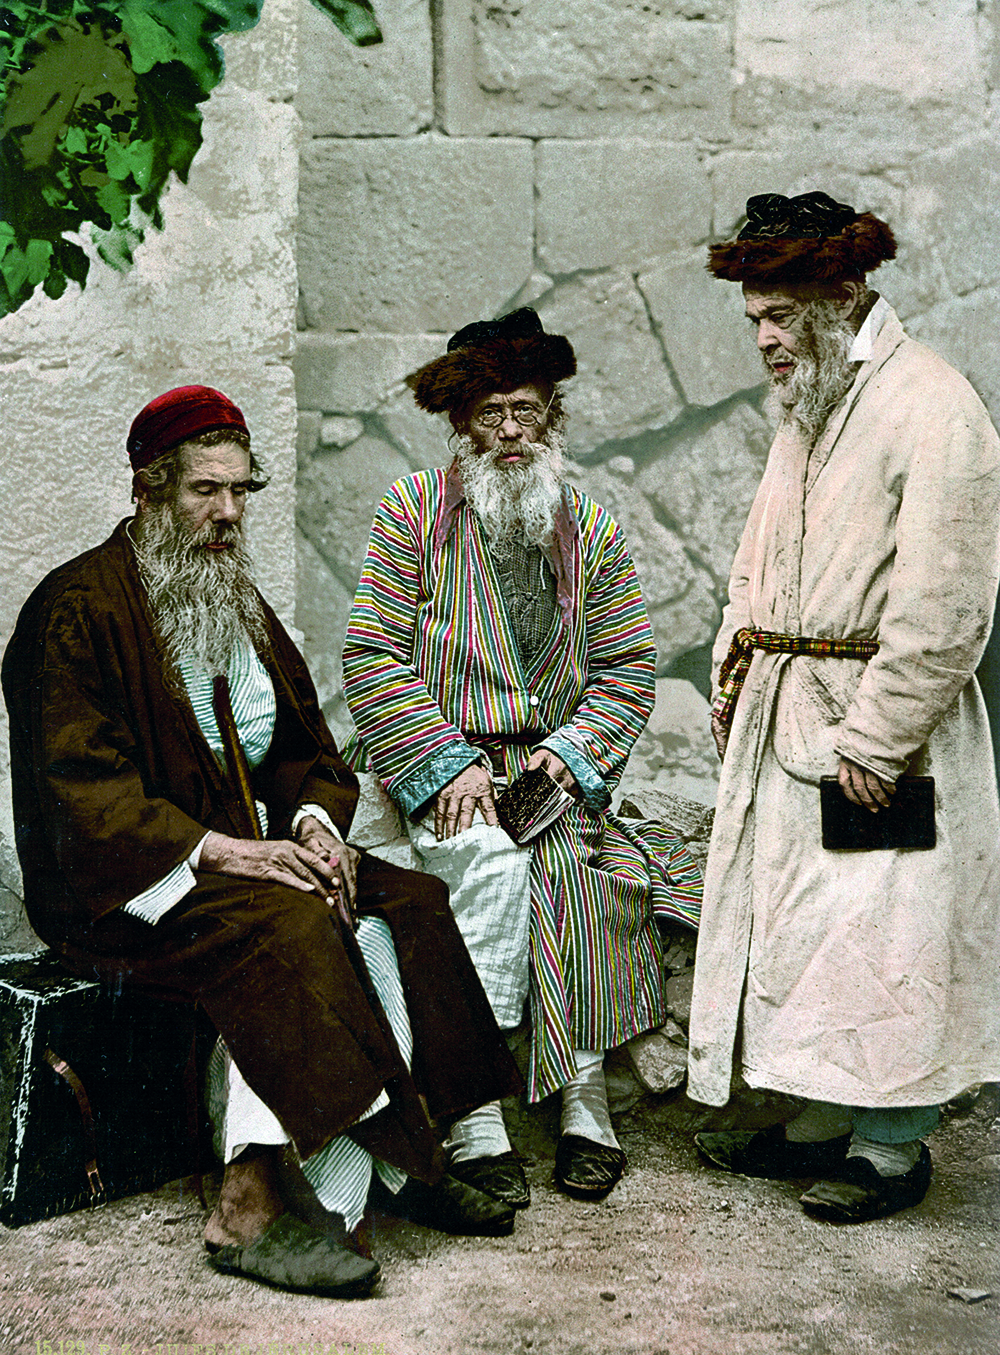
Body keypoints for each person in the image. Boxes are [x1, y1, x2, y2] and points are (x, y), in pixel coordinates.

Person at [2, 385, 524, 1298]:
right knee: (286, 927)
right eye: (206, 491)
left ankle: (407, 1162)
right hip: (122, 888)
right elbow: (81, 794)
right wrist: (234, 853)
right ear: (148, 488)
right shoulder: (74, 610)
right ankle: (247, 1204)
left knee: (404, 899)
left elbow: (301, 748)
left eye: (242, 491)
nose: (228, 514)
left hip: (242, 866)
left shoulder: (231, 598)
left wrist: (316, 828)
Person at [341, 308, 702, 1207]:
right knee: (478, 866)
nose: (510, 431)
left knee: (586, 877)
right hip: (441, 766)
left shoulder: (593, 530)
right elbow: (372, 653)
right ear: (462, 423)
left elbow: (624, 666)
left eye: (528, 411)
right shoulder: (414, 512)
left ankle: (585, 1105)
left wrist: (567, 760)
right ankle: (477, 1113)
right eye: (493, 412)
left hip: (549, 774)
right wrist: (443, 758)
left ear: (554, 421)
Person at [688, 192, 1000, 1222]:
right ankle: (821, 1117)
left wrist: (878, 731)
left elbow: (947, 597)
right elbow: (759, 555)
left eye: (778, 316)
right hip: (788, 703)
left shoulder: (931, 401)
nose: (766, 339)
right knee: (805, 926)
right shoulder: (813, 400)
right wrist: (737, 662)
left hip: (880, 718)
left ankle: (891, 1146)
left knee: (884, 933)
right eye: (754, 322)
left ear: (843, 290)